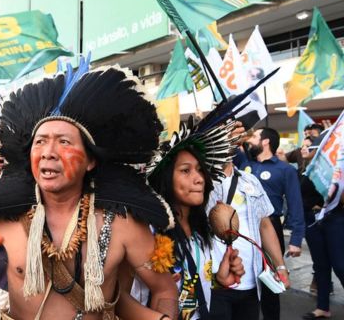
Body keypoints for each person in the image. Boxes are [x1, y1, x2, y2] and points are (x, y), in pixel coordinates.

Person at [0, 67, 178, 320]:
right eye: (40, 142)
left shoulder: (121, 224)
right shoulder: (3, 219)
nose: (48, 152)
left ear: (90, 161)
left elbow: (164, 290)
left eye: (64, 142)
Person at [126, 117, 245, 320]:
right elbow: (116, 295)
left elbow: (195, 281)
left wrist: (219, 278)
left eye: (200, 170)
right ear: (165, 179)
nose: (198, 178)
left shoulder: (201, 230)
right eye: (185, 170)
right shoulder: (146, 230)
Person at [207, 161, 289, 320]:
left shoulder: (250, 180)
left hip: (251, 281)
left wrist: (280, 266)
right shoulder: (200, 181)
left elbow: (264, 225)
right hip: (214, 281)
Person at [238, 127, 305, 320]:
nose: (250, 141)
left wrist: (296, 239)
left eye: (255, 137)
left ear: (265, 141)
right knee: (242, 278)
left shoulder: (285, 170)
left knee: (270, 284)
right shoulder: (244, 163)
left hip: (271, 229)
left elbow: (295, 204)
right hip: (243, 227)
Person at [300, 134, 344, 320]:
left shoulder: (333, 171)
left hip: (334, 219)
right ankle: (323, 307)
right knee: (320, 266)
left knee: (340, 264)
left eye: (308, 147)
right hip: (312, 221)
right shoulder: (304, 171)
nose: (303, 149)